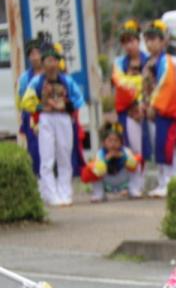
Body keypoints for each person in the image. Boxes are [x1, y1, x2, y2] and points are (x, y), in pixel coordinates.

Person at [20, 45, 86, 207]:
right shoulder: (37, 81)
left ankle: (65, 193)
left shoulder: (66, 80)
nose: (51, 64)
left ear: (58, 62)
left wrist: (67, 106)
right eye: (48, 61)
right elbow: (26, 101)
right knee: (47, 157)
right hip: (46, 119)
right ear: (43, 63)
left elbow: (79, 98)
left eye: (53, 60)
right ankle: (51, 194)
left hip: (63, 118)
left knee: (64, 155)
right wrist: (41, 107)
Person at [144, 20, 176, 197]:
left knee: (168, 146)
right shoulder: (149, 62)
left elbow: (166, 85)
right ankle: (163, 181)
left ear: (163, 41)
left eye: (154, 39)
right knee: (159, 147)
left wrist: (154, 105)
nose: (150, 43)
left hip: (165, 110)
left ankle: (171, 180)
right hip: (155, 109)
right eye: (148, 40)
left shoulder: (166, 61)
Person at [112, 44, 148, 198]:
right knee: (131, 150)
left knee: (144, 150)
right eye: (125, 41)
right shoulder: (119, 63)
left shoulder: (148, 60)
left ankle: (140, 184)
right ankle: (133, 185)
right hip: (129, 114)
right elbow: (120, 84)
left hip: (146, 112)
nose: (129, 45)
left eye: (132, 40)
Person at [82, 123, 140, 202]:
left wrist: (122, 157)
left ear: (121, 143)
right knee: (94, 167)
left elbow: (133, 164)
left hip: (122, 178)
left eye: (116, 140)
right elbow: (98, 170)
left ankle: (134, 190)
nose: (113, 143)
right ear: (104, 143)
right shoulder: (100, 153)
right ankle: (99, 194)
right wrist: (106, 158)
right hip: (107, 179)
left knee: (136, 162)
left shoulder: (125, 151)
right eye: (110, 140)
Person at [17, 39, 44, 176]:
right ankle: (37, 175)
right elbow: (21, 100)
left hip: (49, 114)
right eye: (32, 54)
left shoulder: (49, 73)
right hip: (32, 117)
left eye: (37, 53)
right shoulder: (24, 78)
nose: (35, 57)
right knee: (34, 148)